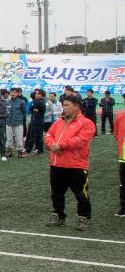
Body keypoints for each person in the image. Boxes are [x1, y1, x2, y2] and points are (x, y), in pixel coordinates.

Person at [44, 93, 95, 230]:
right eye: (63, 105)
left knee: (81, 194)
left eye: (67, 105)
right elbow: (48, 135)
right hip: (56, 164)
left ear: (77, 107)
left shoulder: (86, 123)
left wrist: (60, 145)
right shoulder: (58, 122)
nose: (64, 108)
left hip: (76, 166)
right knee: (56, 193)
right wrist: (52, 145)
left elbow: (81, 140)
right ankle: (58, 216)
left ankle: (84, 218)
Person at [6, 87, 29, 158]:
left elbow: (24, 112)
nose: (13, 93)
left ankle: (20, 152)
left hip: (18, 122)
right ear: (10, 93)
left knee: (19, 138)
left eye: (15, 92)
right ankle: (10, 152)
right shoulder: (7, 102)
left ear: (17, 93)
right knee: (9, 138)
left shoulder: (21, 102)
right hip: (8, 122)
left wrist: (21, 120)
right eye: (11, 92)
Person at [25, 88, 47, 155]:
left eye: (37, 93)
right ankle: (39, 150)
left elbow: (30, 108)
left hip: (37, 121)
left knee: (33, 135)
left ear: (40, 94)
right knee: (38, 136)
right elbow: (31, 109)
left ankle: (28, 151)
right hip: (37, 120)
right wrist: (33, 108)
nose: (35, 95)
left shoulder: (39, 101)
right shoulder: (40, 101)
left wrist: (33, 107)